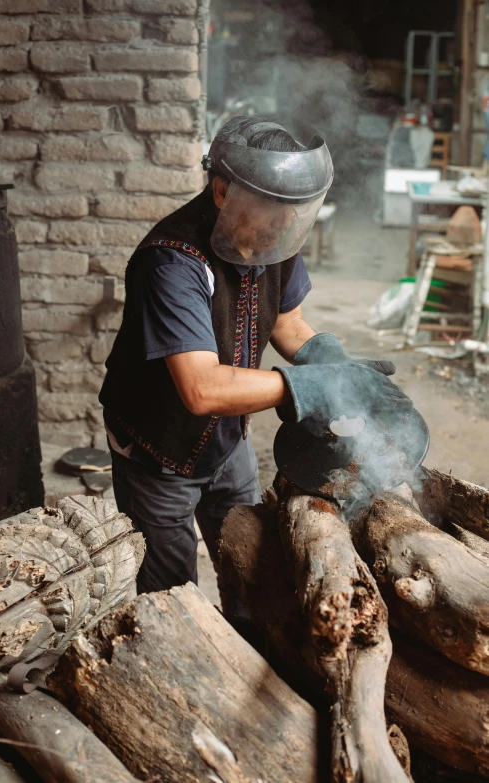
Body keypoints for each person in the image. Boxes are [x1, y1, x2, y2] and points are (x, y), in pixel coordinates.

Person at [99, 116, 410, 606]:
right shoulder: (171, 261)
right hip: (156, 451)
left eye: (294, 213)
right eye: (273, 212)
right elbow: (202, 390)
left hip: (227, 441)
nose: (285, 226)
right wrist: (312, 387)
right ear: (223, 192)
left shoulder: (275, 232)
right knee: (174, 596)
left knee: (254, 571)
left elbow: (287, 324)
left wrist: (340, 369)